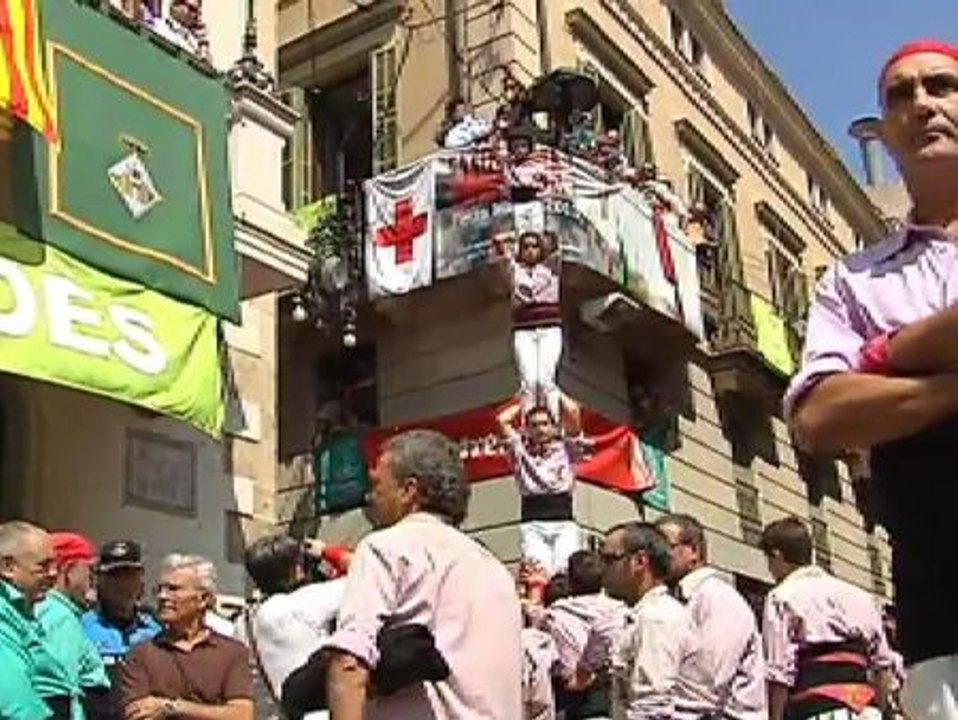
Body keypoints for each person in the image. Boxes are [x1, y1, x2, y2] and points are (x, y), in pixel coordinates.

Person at [783, 38, 958, 720]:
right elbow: (819, 417)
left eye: (941, 86)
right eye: (901, 95)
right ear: (884, 129)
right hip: (943, 620)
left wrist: (885, 353)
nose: (923, 104)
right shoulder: (851, 281)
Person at [323, 429, 523, 719]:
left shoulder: (385, 548)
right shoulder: (495, 568)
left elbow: (349, 663)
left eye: (377, 485)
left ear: (409, 491)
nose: (370, 496)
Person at [760, 517, 893, 720]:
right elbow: (882, 666)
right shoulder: (860, 597)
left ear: (777, 556)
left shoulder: (782, 597)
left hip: (816, 709)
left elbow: (779, 672)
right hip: (866, 710)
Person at [655, 514, 766, 720]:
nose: (656, 557)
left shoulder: (716, 597)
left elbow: (707, 681)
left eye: (664, 548)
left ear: (694, 551)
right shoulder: (676, 600)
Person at [599, 521, 714, 720]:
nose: (602, 568)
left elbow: (652, 707)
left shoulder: (656, 618)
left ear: (640, 561)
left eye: (609, 560)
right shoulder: (649, 614)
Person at [119, 554, 253, 720]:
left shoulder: (231, 652)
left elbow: (242, 715)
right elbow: (138, 713)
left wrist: (171, 707)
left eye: (173, 589)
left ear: (203, 599)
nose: (162, 596)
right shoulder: (141, 655)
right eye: (159, 590)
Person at [236, 533, 346, 720]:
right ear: (296, 569)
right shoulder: (305, 602)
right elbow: (367, 574)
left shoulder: (242, 622)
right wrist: (326, 551)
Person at [498, 398, 589, 576]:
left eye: (545, 424)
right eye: (534, 425)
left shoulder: (567, 448)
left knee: (566, 572)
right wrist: (525, 398)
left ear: (554, 427)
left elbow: (573, 412)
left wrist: (554, 390)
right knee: (538, 573)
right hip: (533, 523)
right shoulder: (520, 450)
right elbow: (502, 420)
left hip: (563, 521)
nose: (540, 429)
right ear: (526, 429)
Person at [533, 550, 627, 720]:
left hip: (574, 700)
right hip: (618, 697)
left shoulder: (555, 616)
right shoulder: (621, 611)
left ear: (570, 580)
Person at [80, 540, 161, 720]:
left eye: (129, 575)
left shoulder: (156, 629)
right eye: (114, 575)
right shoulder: (80, 628)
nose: (122, 584)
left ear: (140, 580)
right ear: (100, 581)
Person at [37, 532, 111, 720]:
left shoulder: (53, 611)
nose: (93, 580)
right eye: (89, 571)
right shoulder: (58, 616)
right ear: (69, 570)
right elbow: (60, 689)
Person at [496, 228, 563, 419]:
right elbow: (499, 245)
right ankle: (529, 424)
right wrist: (511, 236)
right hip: (524, 331)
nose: (530, 251)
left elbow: (556, 241)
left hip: (550, 329)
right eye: (526, 247)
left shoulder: (551, 267)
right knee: (529, 381)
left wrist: (542, 233)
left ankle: (553, 422)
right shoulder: (514, 270)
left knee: (546, 380)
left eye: (535, 246)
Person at [0, 521, 61, 720]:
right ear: (8, 567)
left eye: (54, 564)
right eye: (43, 566)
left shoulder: (20, 610)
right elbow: (16, 703)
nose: (54, 573)